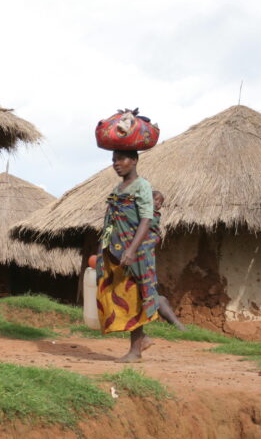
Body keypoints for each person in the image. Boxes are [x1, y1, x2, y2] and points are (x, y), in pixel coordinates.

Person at [96, 149, 159, 362]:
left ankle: (135, 350)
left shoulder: (142, 186)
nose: (116, 164)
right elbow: (110, 222)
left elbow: (146, 219)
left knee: (135, 296)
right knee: (119, 294)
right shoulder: (117, 189)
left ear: (134, 160)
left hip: (135, 252)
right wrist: (102, 248)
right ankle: (142, 339)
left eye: (121, 159)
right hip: (115, 250)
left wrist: (131, 249)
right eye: (114, 160)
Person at [150, 191, 188, 332]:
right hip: (142, 262)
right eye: (157, 201)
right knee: (156, 298)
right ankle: (178, 325)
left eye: (161, 203)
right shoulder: (144, 216)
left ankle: (177, 325)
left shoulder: (152, 218)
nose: (159, 204)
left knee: (157, 298)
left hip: (146, 263)